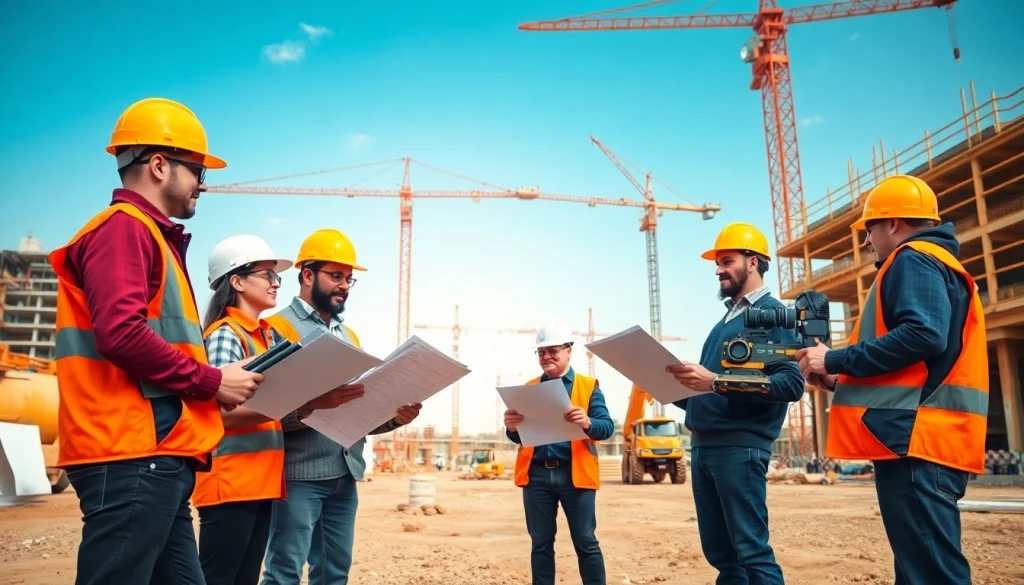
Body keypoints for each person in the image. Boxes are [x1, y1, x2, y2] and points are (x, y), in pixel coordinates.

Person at [47, 97, 263, 585]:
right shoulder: (124, 229)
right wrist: (211, 381)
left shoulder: (148, 236)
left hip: (154, 453)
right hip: (128, 451)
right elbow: (120, 333)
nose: (202, 184)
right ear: (160, 165)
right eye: (196, 170)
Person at [796, 174, 988, 585]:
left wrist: (835, 357)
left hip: (917, 444)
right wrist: (836, 379)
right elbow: (918, 368)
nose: (867, 242)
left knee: (931, 574)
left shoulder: (912, 258)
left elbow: (923, 335)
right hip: (926, 441)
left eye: (870, 229)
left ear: (894, 224)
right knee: (919, 569)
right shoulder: (938, 263)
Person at [261, 228, 423, 585]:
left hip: (344, 473)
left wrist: (393, 417)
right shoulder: (274, 328)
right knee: (284, 573)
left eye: (349, 279)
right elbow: (262, 412)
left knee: (334, 574)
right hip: (298, 474)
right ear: (306, 275)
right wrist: (312, 405)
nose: (344, 285)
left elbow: (355, 411)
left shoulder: (348, 337)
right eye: (336, 276)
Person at [665, 222, 805, 585]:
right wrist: (671, 386)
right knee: (724, 558)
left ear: (754, 262)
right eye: (717, 262)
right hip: (706, 447)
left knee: (752, 553)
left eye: (726, 260)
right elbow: (716, 394)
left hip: (740, 449)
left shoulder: (774, 315)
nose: (717, 269)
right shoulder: (723, 323)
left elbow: (790, 383)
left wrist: (713, 380)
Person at [193, 235, 293, 585]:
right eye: (268, 275)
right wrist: (293, 401)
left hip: (260, 480)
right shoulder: (225, 334)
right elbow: (223, 412)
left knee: (244, 579)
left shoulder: (267, 336)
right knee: (219, 577)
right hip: (231, 479)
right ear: (236, 281)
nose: (275, 283)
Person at [503, 323, 614, 585]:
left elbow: (606, 428)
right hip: (537, 476)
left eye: (552, 350)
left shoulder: (588, 387)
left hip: (574, 473)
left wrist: (587, 422)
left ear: (568, 352)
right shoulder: (528, 388)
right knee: (540, 543)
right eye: (541, 352)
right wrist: (511, 428)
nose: (546, 357)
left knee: (586, 541)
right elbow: (520, 436)